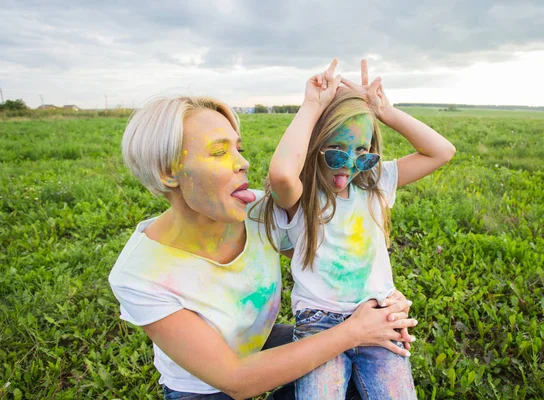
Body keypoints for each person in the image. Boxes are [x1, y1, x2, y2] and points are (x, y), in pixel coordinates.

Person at [108, 95, 417, 400]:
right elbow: (235, 380)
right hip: (205, 390)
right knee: (348, 346)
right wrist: (354, 331)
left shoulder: (258, 213)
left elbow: (332, 261)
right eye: (219, 152)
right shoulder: (139, 274)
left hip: (261, 343)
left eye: (239, 149)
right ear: (168, 172)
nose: (243, 163)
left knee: (370, 360)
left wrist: (378, 299)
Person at [264, 59, 456, 399]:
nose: (349, 166)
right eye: (336, 152)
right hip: (319, 324)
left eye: (362, 153)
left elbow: (442, 151)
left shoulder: (374, 183)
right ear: (314, 146)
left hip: (379, 314)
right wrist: (312, 106)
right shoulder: (303, 195)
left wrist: (384, 111)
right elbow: (281, 174)